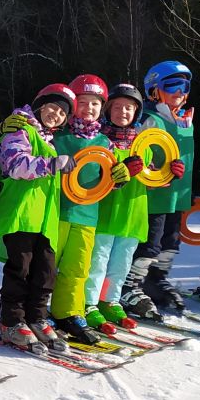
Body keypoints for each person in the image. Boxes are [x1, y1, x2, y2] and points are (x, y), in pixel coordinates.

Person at [0, 84, 77, 354]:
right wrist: (52, 164)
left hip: (44, 220)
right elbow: (15, 165)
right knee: (20, 270)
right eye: (52, 107)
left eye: (62, 113)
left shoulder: (48, 140)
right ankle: (11, 321)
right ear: (39, 105)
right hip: (20, 215)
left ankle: (37, 317)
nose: (56, 114)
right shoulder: (19, 130)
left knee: (45, 272)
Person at [49, 74, 131, 343]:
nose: (89, 108)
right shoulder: (57, 135)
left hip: (87, 214)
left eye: (95, 104)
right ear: (73, 105)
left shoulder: (105, 143)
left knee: (77, 267)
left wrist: (119, 177)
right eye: (83, 102)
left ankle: (68, 313)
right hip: (57, 211)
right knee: (46, 266)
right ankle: (34, 311)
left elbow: (107, 179)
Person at [126, 61, 192, 314]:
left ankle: (155, 279)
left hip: (177, 194)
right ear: (154, 90)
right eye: (172, 85)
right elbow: (134, 150)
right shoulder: (148, 118)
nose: (180, 92)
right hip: (153, 193)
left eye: (185, 86)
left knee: (171, 241)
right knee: (150, 242)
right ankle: (130, 284)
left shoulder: (185, 120)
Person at [85, 84, 153, 328]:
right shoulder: (100, 140)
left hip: (132, 213)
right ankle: (89, 302)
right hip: (106, 210)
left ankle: (110, 300)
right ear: (107, 110)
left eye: (128, 108)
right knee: (98, 260)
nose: (123, 112)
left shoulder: (143, 143)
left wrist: (170, 172)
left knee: (121, 262)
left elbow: (152, 176)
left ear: (136, 112)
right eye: (117, 107)